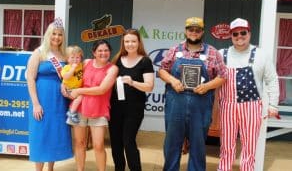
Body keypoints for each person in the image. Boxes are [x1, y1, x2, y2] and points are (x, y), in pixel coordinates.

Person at [158, 17, 227, 171]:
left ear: (202, 32)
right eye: (191, 29)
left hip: (200, 103)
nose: (194, 33)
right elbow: (162, 70)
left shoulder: (213, 52)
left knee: (198, 144)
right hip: (176, 101)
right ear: (186, 31)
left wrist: (208, 86)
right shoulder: (175, 50)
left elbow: (223, 76)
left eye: (197, 30)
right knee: (171, 143)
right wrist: (172, 80)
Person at [217, 18, 279, 171]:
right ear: (230, 35)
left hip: (252, 107)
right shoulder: (221, 54)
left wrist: (273, 105)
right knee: (226, 145)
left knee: (249, 146)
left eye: (243, 32)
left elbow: (272, 80)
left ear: (249, 33)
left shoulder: (261, 55)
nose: (239, 36)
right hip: (227, 105)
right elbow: (210, 78)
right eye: (235, 33)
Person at [26, 18, 73, 171]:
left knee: (54, 134)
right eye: (54, 34)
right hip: (42, 99)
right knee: (41, 134)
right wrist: (36, 104)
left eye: (60, 34)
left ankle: (51, 168)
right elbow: (30, 79)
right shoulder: (39, 53)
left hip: (59, 101)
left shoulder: (64, 55)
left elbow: (69, 77)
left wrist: (66, 85)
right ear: (48, 35)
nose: (57, 37)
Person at [65, 39, 118, 171]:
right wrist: (64, 86)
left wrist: (79, 91)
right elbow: (72, 77)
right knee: (79, 142)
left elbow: (101, 89)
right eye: (100, 50)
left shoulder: (113, 69)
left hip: (99, 109)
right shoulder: (86, 63)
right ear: (94, 52)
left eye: (106, 50)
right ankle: (80, 169)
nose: (103, 53)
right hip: (79, 108)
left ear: (110, 52)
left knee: (98, 145)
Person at [109, 29, 154, 171]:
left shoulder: (145, 61)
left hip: (134, 109)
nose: (130, 44)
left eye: (133, 41)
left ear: (139, 42)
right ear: (123, 43)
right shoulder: (117, 59)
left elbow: (149, 87)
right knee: (116, 143)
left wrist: (132, 82)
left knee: (128, 141)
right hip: (115, 108)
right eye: (127, 41)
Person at [61, 45, 84, 124]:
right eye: (72, 57)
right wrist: (72, 69)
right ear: (67, 59)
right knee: (81, 96)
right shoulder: (66, 67)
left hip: (76, 89)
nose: (75, 60)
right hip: (69, 89)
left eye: (77, 57)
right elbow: (65, 77)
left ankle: (73, 111)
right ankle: (72, 112)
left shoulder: (81, 65)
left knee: (81, 96)